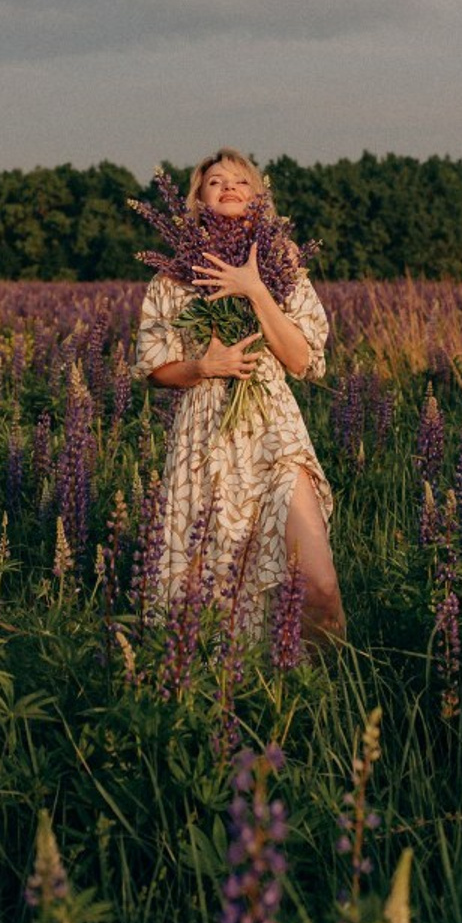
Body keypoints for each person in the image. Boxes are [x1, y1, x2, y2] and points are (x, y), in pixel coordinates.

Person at [133, 147, 346, 645]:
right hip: (205, 439)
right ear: (197, 200)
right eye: (215, 182)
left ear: (258, 198)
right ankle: (248, 685)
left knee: (319, 582)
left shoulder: (283, 267)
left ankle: (329, 688)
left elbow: (302, 360)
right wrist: (203, 367)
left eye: (241, 180)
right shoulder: (171, 279)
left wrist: (254, 288)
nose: (228, 186)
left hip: (275, 435)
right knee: (215, 595)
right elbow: (154, 369)